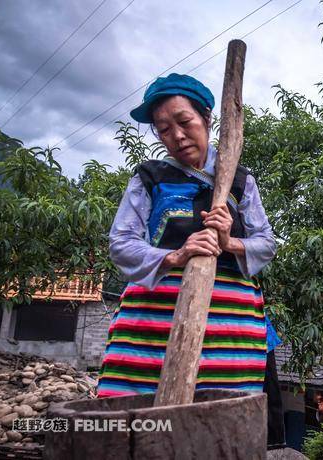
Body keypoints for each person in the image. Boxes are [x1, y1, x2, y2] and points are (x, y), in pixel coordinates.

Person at [97, 73, 285, 448]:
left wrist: (231, 241)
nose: (177, 136)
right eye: (163, 129)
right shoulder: (149, 178)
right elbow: (121, 243)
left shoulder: (241, 181)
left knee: (219, 430)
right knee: (140, 428)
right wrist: (176, 254)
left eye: (185, 122)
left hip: (228, 334)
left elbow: (267, 243)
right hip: (152, 331)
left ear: (207, 119)